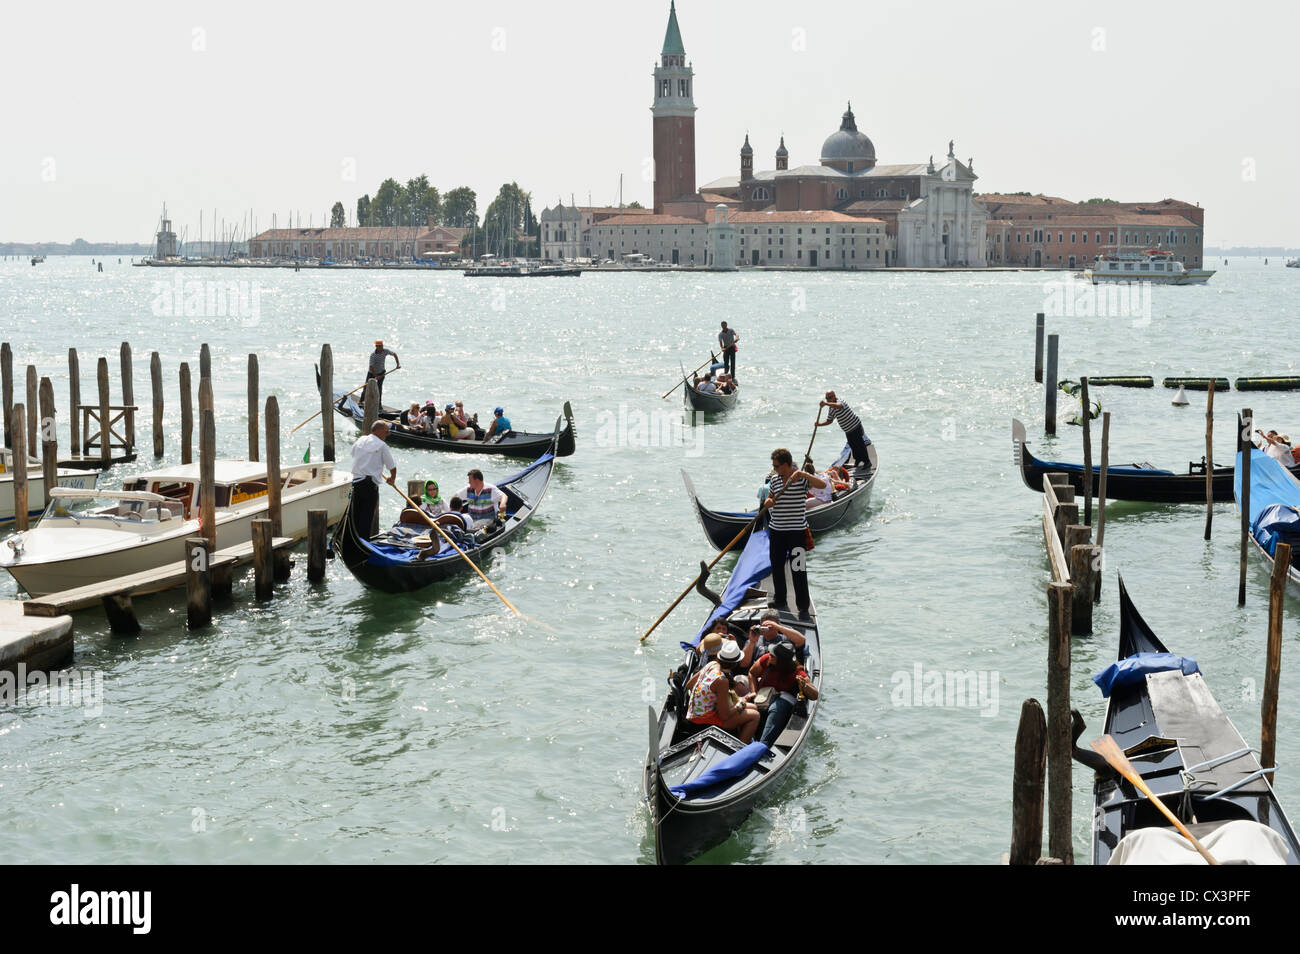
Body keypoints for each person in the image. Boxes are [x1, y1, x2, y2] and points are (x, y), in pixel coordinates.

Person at [761, 448, 826, 621]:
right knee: (777, 567)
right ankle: (780, 600)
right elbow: (771, 497)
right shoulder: (775, 480)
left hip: (796, 532)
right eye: (773, 466)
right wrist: (768, 502)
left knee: (798, 569)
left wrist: (804, 475)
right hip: (777, 532)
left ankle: (803, 606)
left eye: (777, 466)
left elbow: (823, 485)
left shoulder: (801, 480)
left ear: (786, 465)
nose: (774, 469)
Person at [684, 640, 760, 743]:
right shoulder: (722, 681)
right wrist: (741, 704)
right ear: (735, 663)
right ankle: (738, 750)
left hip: (694, 713)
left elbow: (689, 685)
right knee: (755, 716)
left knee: (753, 707)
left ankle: (740, 736)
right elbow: (724, 716)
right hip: (703, 721)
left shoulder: (711, 664)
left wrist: (708, 698)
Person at [748, 641, 818, 746]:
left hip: (782, 702)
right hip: (763, 696)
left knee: (777, 707)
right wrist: (754, 692)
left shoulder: (797, 673)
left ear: (781, 661)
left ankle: (763, 745)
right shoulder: (766, 659)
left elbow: (814, 695)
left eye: (773, 655)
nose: (769, 655)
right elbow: (752, 673)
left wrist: (804, 685)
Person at [349, 420, 397, 536]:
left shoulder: (360, 440)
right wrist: (392, 479)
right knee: (366, 517)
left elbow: (353, 454)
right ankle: (363, 541)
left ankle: (355, 540)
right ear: (378, 431)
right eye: (386, 432)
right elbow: (392, 467)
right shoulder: (382, 445)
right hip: (369, 486)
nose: (387, 435)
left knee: (355, 516)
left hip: (356, 483)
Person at [817, 390, 873, 471]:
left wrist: (825, 404)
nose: (828, 399)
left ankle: (867, 462)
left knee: (860, 444)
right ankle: (857, 461)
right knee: (853, 446)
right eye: (827, 398)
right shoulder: (831, 408)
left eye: (830, 397)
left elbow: (838, 406)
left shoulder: (840, 401)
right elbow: (829, 420)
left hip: (855, 426)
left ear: (834, 396)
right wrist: (819, 424)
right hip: (848, 430)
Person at [738, 609, 807, 669]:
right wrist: (752, 642)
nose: (768, 628)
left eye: (771, 626)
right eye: (764, 626)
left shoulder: (785, 638)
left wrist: (778, 627)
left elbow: (801, 640)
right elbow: (743, 664)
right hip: (759, 674)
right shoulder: (753, 641)